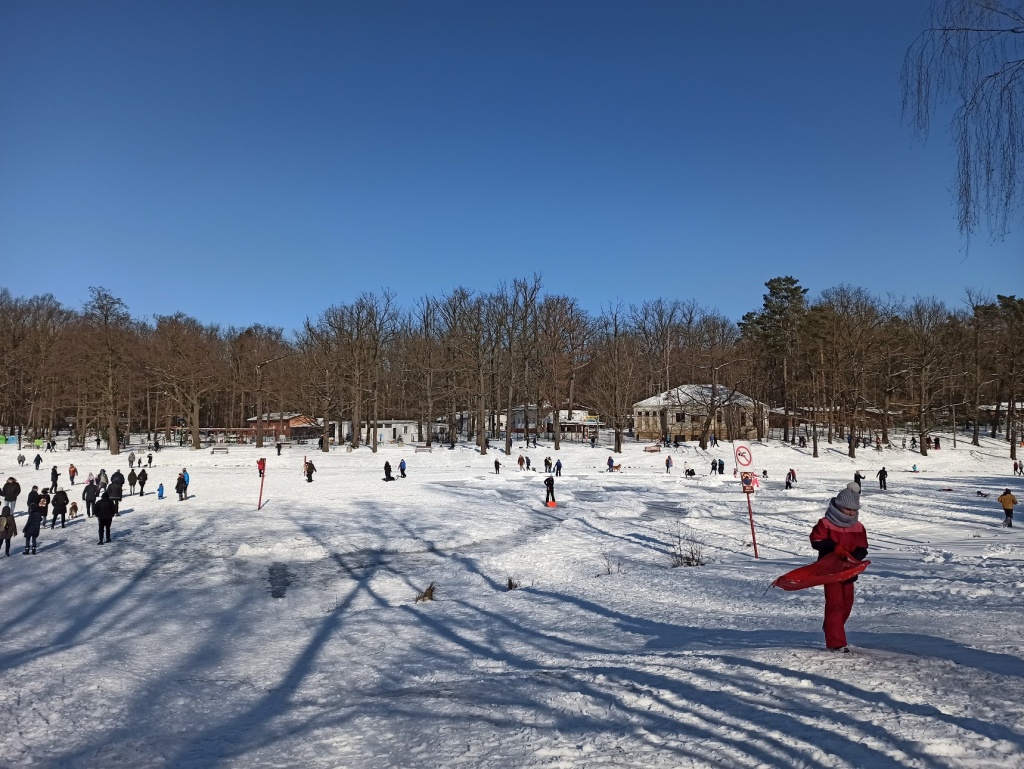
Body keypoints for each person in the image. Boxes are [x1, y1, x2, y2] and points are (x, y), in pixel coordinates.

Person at [810, 483, 869, 652]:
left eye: (854, 510)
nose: (851, 513)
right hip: (830, 570)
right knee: (835, 604)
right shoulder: (825, 523)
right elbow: (816, 541)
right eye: (847, 509)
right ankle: (836, 642)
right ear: (838, 506)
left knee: (847, 604)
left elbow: (863, 546)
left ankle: (831, 627)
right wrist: (833, 548)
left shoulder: (858, 527)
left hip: (849, 570)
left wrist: (857, 555)